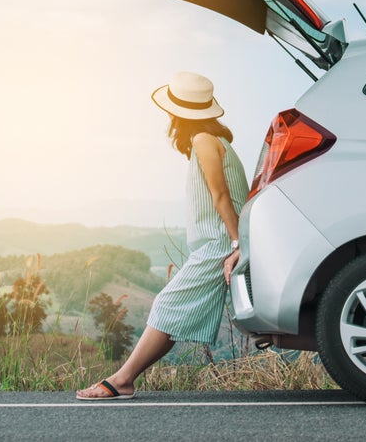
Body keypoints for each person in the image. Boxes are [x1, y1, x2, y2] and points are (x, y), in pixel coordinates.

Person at [76, 71, 249, 400]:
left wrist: (237, 243)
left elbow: (221, 197)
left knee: (167, 305)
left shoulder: (203, 140)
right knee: (170, 307)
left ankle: (122, 380)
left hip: (219, 244)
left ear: (178, 114)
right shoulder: (213, 139)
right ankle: (123, 379)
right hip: (220, 241)